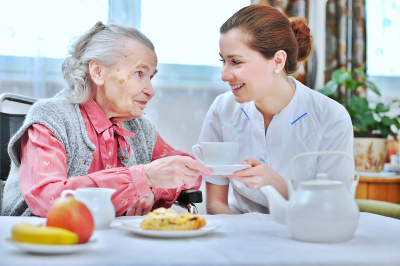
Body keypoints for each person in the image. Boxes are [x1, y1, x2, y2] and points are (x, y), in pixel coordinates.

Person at [2, 22, 212, 217]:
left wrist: (153, 189)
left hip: (112, 242)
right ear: (98, 71)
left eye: (151, 77)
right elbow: (48, 197)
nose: (150, 90)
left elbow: (189, 171)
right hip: (43, 240)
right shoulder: (52, 118)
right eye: (139, 73)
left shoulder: (139, 126)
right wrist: (142, 178)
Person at [196, 5, 353, 214]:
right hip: (236, 233)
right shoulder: (222, 109)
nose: (224, 74)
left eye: (235, 62)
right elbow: (217, 204)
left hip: (303, 235)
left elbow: (333, 208)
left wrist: (276, 184)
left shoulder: (331, 117)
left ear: (277, 61)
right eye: (223, 61)